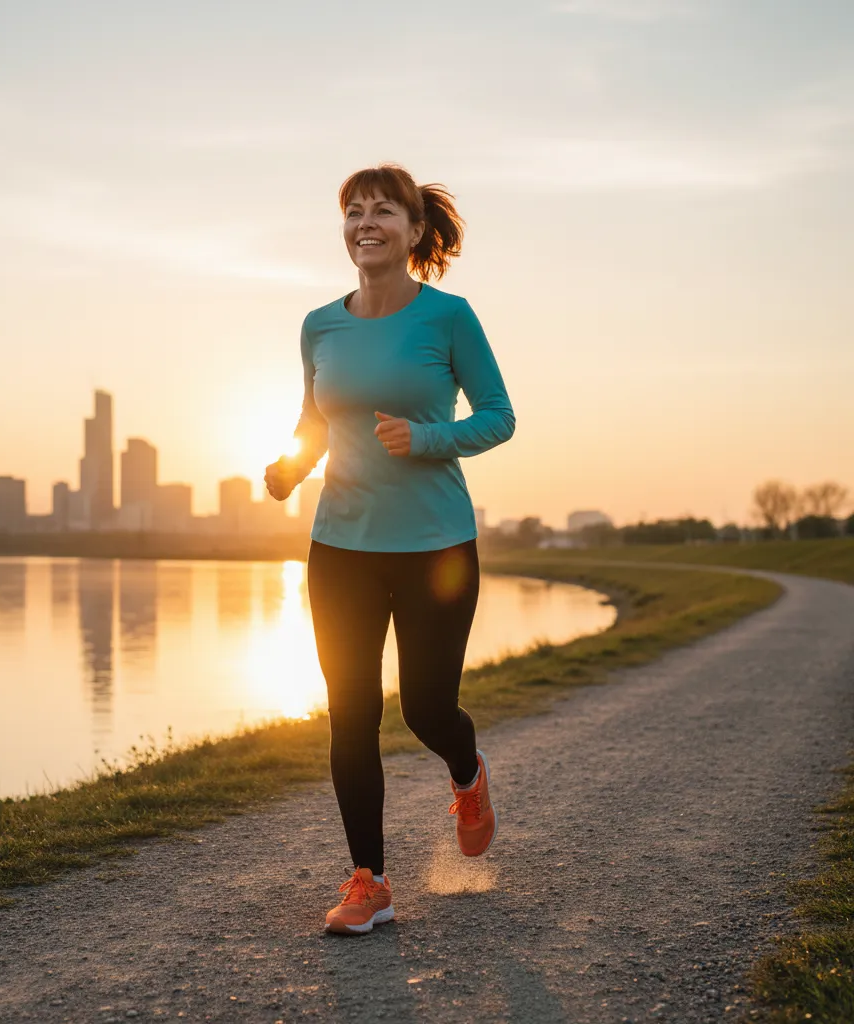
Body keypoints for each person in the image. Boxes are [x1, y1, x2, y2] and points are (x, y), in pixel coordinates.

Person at [264, 163, 516, 936]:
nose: (364, 222)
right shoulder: (320, 325)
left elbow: (499, 416)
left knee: (427, 707)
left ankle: (467, 776)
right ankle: (369, 882)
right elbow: (316, 418)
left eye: (381, 211)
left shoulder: (448, 317)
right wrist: (290, 467)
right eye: (352, 212)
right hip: (340, 544)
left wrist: (428, 438)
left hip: (437, 544)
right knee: (350, 714)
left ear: (413, 231)